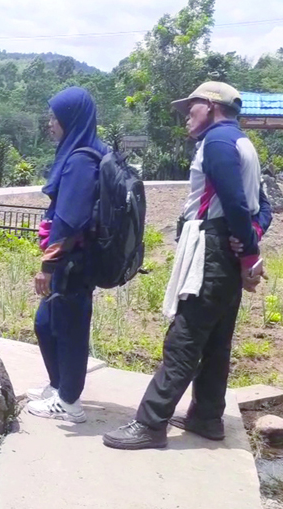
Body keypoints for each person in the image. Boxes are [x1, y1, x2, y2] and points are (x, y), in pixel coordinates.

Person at [103, 82, 269, 450]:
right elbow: (261, 208)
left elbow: (237, 205)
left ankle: (151, 422)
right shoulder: (242, 142)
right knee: (217, 338)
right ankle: (206, 416)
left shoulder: (218, 144)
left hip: (210, 249)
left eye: (191, 109)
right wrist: (249, 249)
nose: (186, 117)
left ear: (210, 106)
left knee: (186, 335)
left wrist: (250, 254)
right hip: (222, 247)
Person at [23, 87, 108, 424]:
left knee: (69, 328)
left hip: (73, 262)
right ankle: (60, 388)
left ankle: (70, 403)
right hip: (75, 259)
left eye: (54, 117)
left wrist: (48, 265)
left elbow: (70, 220)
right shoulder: (88, 152)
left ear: (69, 119)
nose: (50, 123)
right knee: (47, 323)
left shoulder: (81, 160)